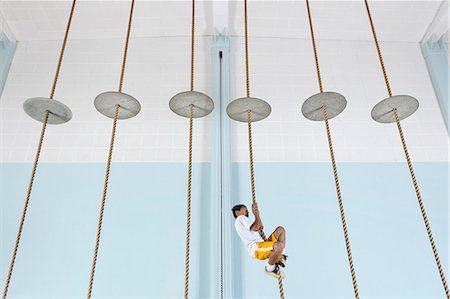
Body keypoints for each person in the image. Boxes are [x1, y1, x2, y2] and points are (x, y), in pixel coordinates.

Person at [232, 202, 287, 279]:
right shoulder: (240, 218)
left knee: (280, 230)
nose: (248, 212)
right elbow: (257, 227)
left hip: (262, 244)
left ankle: (278, 256)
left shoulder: (244, 222)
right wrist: (256, 214)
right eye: (245, 210)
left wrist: (256, 214)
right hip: (256, 248)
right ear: (237, 212)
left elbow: (260, 226)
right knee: (279, 246)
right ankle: (270, 268)